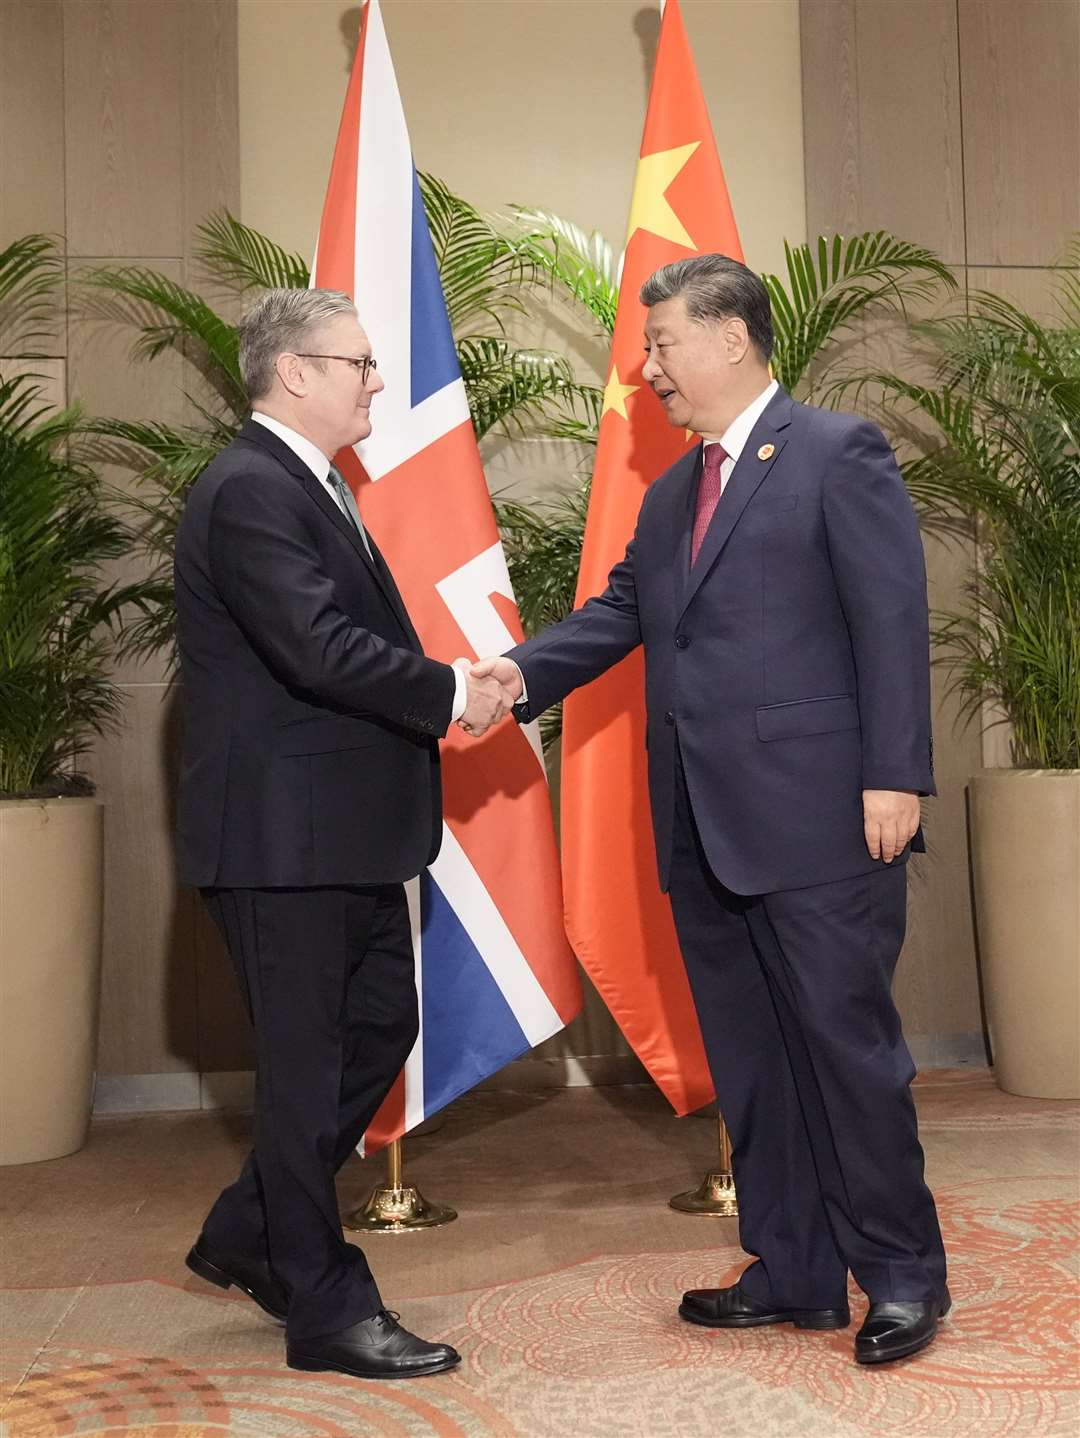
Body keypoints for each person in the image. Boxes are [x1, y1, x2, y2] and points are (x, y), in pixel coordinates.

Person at [470, 254, 950, 1366]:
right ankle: (791, 1272)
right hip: (701, 823)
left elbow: (891, 620)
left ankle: (902, 1277)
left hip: (825, 819)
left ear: (732, 337)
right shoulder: (673, 490)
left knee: (847, 1054)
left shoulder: (838, 452)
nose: (647, 371)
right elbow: (621, 613)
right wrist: (511, 678)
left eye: (663, 345)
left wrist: (896, 773)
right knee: (754, 1062)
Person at [174, 288, 511, 1380]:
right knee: (306, 1072)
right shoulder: (247, 490)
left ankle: (249, 1226)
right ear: (293, 373)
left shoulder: (307, 483)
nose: (375, 380)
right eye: (359, 363)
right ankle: (326, 1308)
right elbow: (316, 649)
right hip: (283, 842)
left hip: (341, 838)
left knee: (375, 1030)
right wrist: (453, 690)